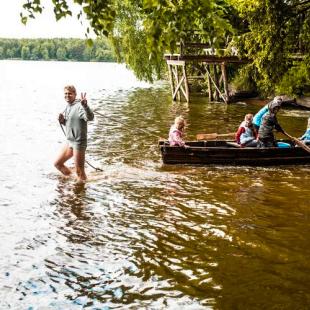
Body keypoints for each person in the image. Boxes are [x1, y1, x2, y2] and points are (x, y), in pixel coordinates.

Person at [54, 85, 94, 182]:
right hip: (70, 141)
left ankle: (81, 186)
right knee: (58, 164)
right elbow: (71, 123)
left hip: (78, 143)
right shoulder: (68, 106)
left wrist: (85, 106)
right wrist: (63, 121)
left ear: (75, 94)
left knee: (80, 172)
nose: (67, 95)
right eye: (66, 93)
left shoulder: (80, 106)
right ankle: (73, 179)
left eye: (70, 93)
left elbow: (90, 118)